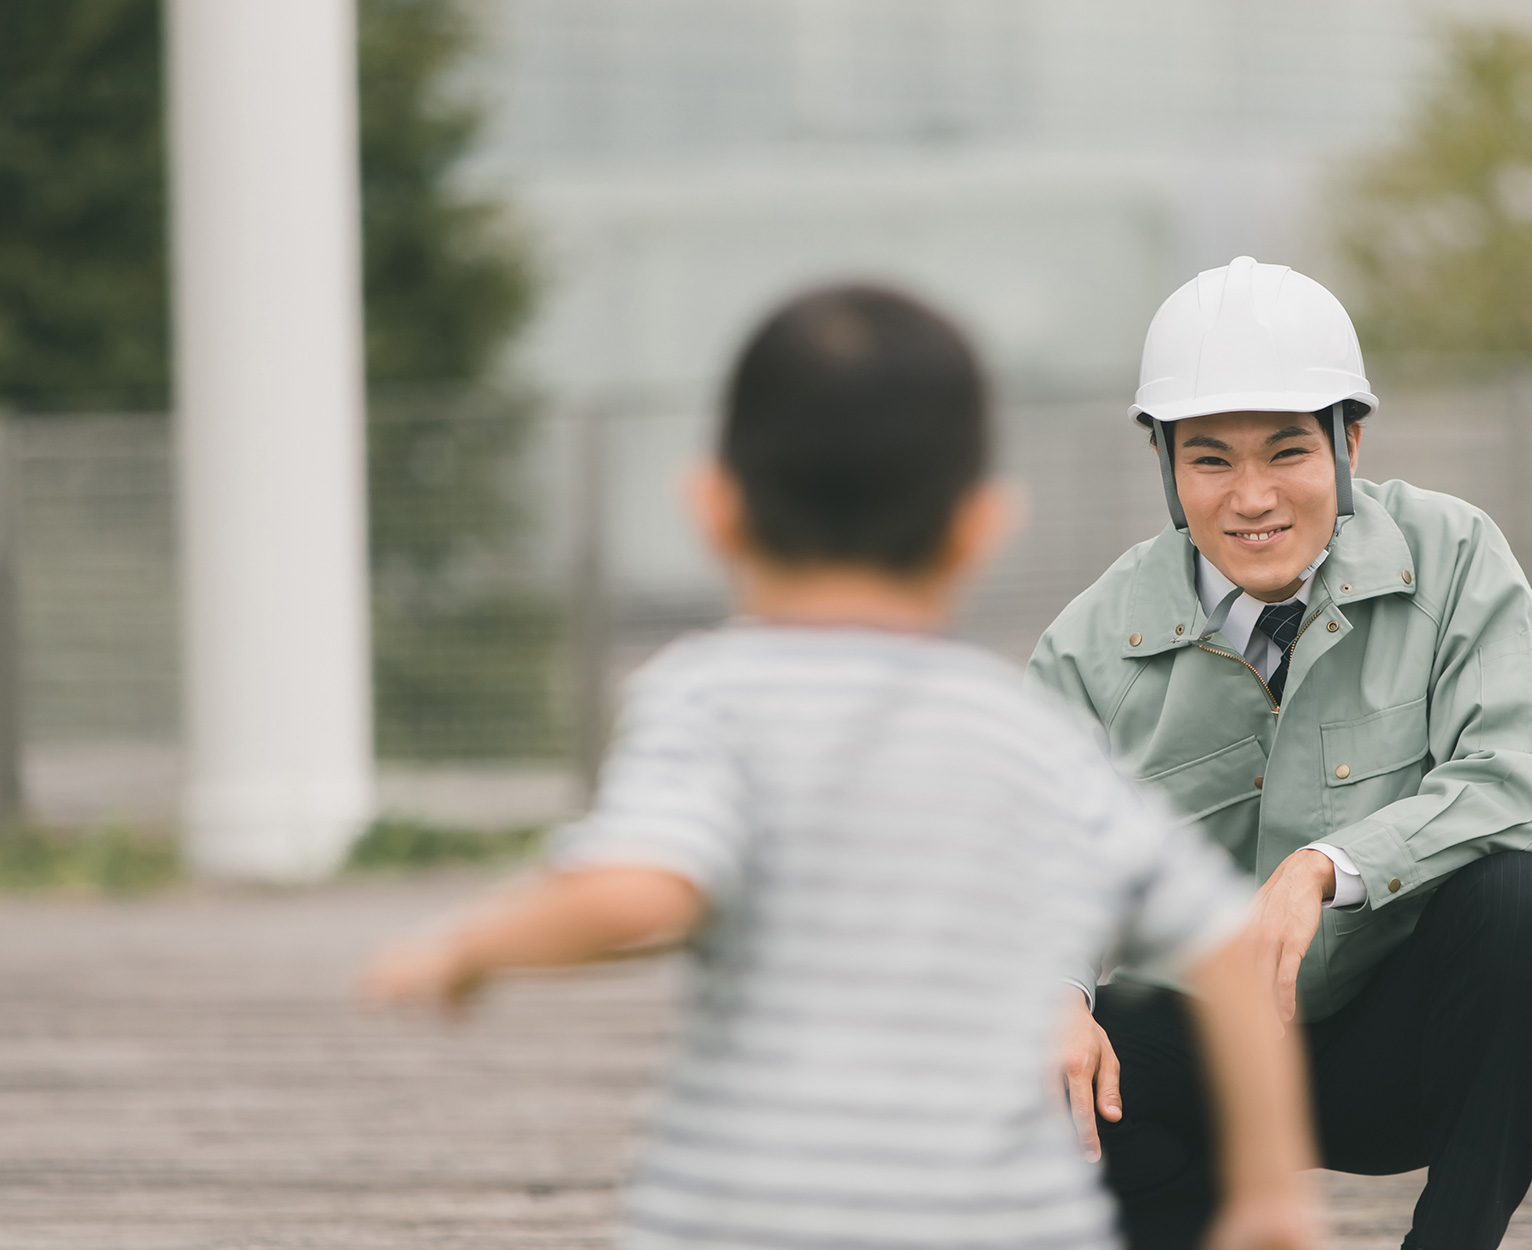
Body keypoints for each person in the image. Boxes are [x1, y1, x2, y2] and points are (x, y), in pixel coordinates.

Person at [360, 285, 1320, 1250]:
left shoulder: (710, 700)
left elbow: (639, 891)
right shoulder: (1023, 732)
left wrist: (473, 944)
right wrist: (1272, 1200)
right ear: (981, 526)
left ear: (714, 509)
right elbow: (1220, 952)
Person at [1030, 257, 1532, 1250]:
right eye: (1209, 459)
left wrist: (1325, 868)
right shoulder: (1090, 642)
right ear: (1164, 466)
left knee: (1528, 906)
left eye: (1285, 451)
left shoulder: (1454, 553)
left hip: (1396, 1045)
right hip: (1198, 1055)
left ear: (1348, 441)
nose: (1250, 496)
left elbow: (1529, 770)